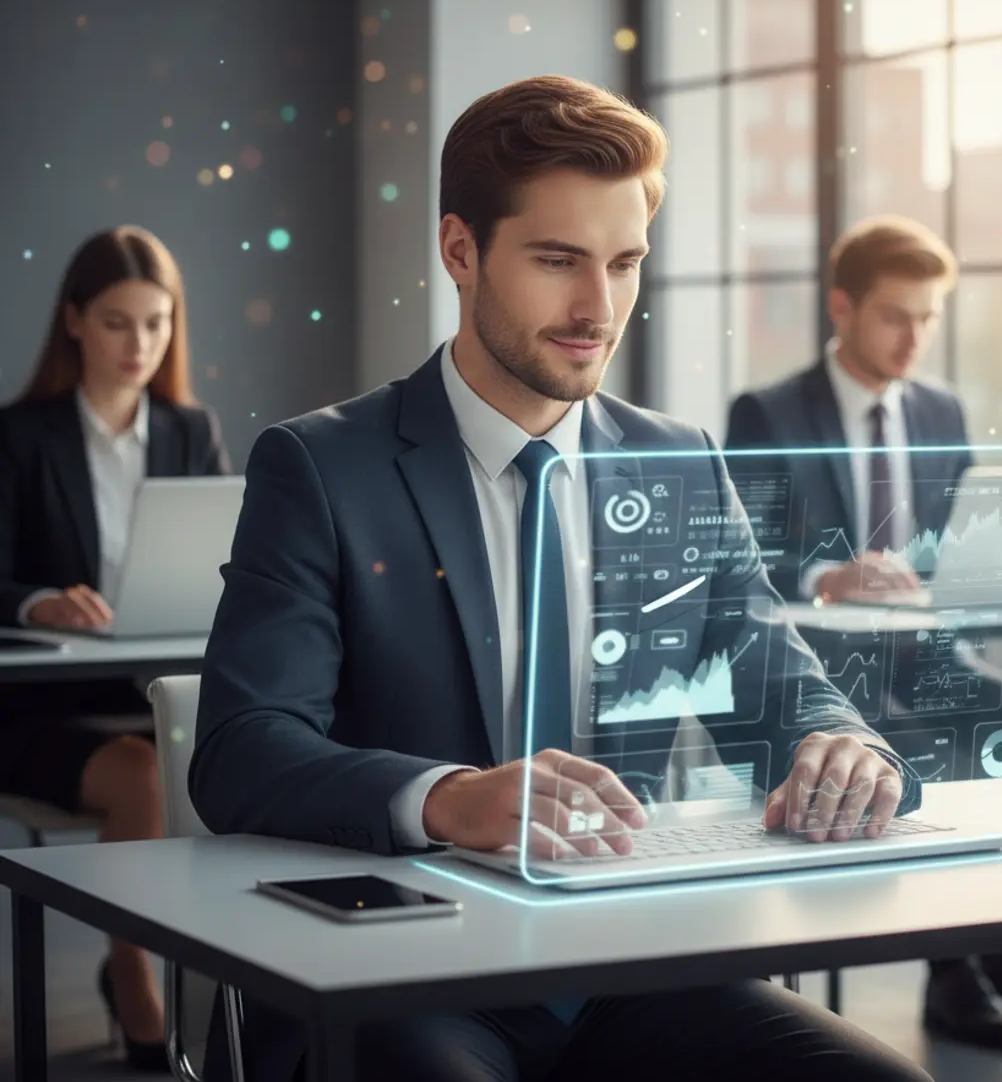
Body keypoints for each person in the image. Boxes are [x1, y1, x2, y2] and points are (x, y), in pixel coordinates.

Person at [189, 75, 934, 1082]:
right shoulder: (322, 468)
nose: (599, 309)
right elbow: (240, 751)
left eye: (625, 263)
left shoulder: (681, 464)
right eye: (557, 261)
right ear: (460, 251)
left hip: (624, 960)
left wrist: (840, 746)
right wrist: (447, 798)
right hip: (399, 964)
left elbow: (780, 687)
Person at [724, 215, 1002, 1053]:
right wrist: (827, 576)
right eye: (896, 316)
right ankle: (953, 972)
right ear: (842, 308)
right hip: (827, 670)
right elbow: (743, 559)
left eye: (928, 318)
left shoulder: (939, 408)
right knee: (928, 754)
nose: (914, 338)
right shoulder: (769, 413)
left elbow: (957, 544)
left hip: (928, 657)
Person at [0, 225, 231, 1072]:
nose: (139, 344)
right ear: (74, 321)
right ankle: (135, 980)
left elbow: (229, 564)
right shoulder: (20, 437)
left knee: (221, 752)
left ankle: (232, 993)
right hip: (39, 712)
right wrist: (41, 603)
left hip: (151, 696)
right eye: (116, 322)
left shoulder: (190, 430)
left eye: (156, 323)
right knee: (145, 773)